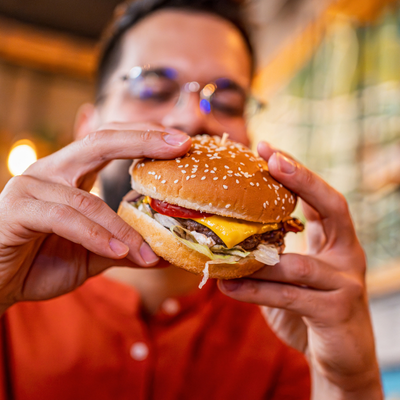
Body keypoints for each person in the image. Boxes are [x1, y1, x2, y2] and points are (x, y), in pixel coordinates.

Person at [0, 0, 382, 399]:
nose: (192, 118)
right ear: (87, 128)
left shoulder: (291, 332)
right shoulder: (13, 287)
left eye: (226, 103)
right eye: (152, 89)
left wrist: (349, 385)